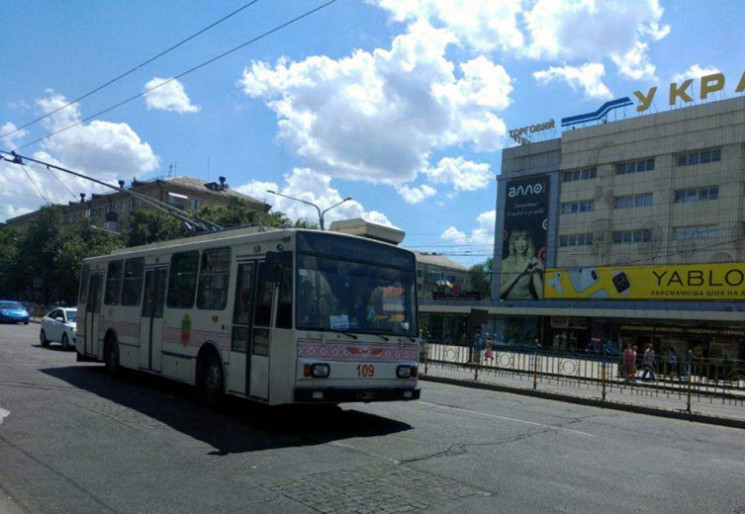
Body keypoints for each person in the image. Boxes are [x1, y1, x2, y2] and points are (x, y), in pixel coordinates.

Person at [500, 230, 544, 300]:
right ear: (513, 242)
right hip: (508, 306)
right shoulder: (504, 263)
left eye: (524, 239)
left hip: (529, 306)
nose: (520, 244)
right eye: (517, 240)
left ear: (528, 242)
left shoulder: (532, 261)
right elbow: (498, 292)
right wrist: (519, 273)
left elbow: (541, 296)